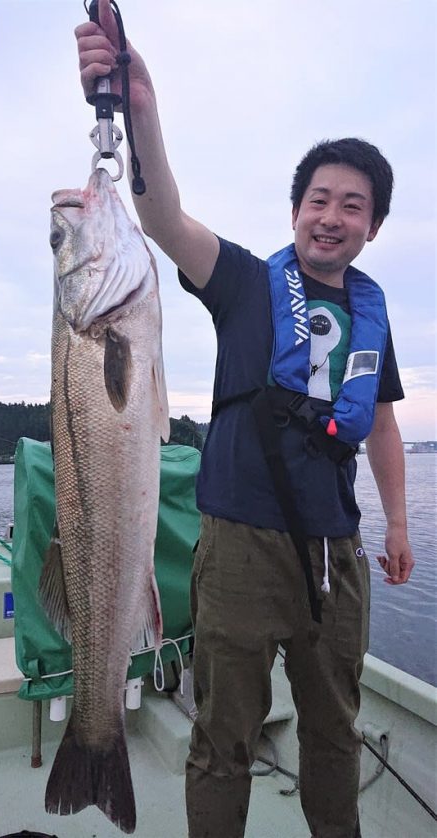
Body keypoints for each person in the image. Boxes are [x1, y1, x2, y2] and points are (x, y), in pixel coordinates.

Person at [76, 3, 415, 836]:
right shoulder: (241, 283)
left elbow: (380, 426)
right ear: (295, 210)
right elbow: (163, 220)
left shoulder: (373, 320)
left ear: (373, 228)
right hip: (238, 548)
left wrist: (400, 523)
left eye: (353, 206)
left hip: (337, 552)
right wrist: (141, 111)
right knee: (222, 737)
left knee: (334, 731)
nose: (331, 216)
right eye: (319, 199)